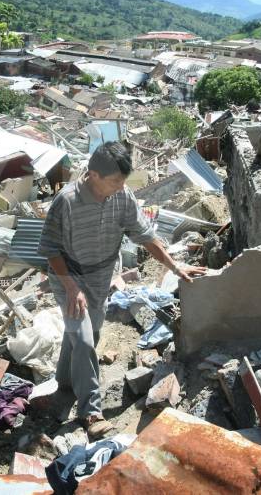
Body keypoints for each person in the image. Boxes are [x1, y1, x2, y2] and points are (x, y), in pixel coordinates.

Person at [38, 142, 206, 439]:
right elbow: (50, 249)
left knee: (87, 333)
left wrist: (176, 266)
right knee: (84, 338)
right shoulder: (66, 201)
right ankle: (90, 411)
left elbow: (145, 235)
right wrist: (71, 286)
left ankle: (64, 385)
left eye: (122, 181)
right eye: (114, 180)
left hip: (101, 275)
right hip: (69, 276)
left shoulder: (122, 196)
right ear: (92, 175)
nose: (120, 186)